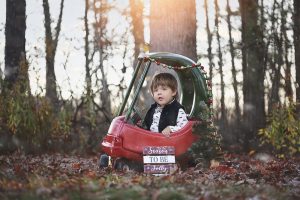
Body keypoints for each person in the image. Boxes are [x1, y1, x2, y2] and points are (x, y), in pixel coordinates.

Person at [143, 73, 188, 137]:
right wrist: (140, 126)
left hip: (169, 144)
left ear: (173, 92)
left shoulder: (177, 110)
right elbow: (146, 125)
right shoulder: (153, 109)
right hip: (151, 141)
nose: (159, 93)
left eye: (164, 89)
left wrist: (171, 128)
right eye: (155, 90)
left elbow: (185, 128)